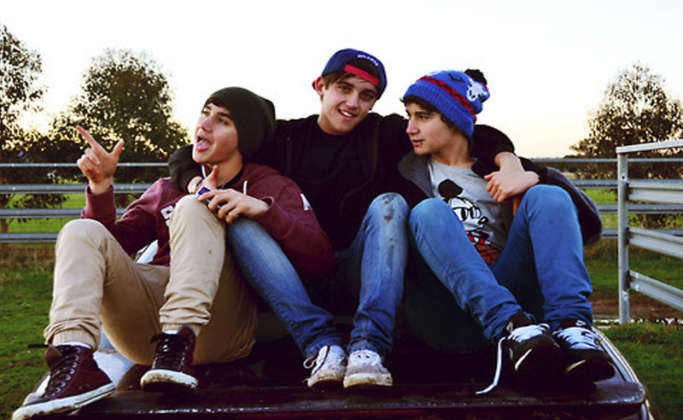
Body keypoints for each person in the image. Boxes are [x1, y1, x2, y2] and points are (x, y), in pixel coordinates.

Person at [169, 49, 526, 389]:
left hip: (362, 267)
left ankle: (369, 345)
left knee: (390, 203)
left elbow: (467, 132)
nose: (353, 103)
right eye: (343, 88)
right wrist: (197, 184)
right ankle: (319, 345)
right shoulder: (284, 137)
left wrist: (508, 161)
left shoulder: (383, 134)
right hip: (292, 270)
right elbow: (187, 154)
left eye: (366, 95)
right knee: (242, 219)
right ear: (320, 86)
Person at [13, 87, 333, 420]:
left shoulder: (271, 186)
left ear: (247, 138)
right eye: (205, 113)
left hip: (219, 324)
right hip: (148, 336)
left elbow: (320, 257)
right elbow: (111, 248)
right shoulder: (167, 187)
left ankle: (180, 337)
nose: (204, 125)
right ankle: (74, 359)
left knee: (194, 207)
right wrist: (100, 187)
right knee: (80, 231)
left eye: (222, 120)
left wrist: (265, 211)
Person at [395, 69, 613, 393]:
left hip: (526, 319)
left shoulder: (500, 167)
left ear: (455, 120)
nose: (410, 127)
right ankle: (509, 327)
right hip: (447, 310)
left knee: (548, 195)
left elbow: (590, 227)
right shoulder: (403, 170)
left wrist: (534, 177)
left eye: (423, 117)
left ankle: (571, 327)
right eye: (409, 116)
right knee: (428, 211)